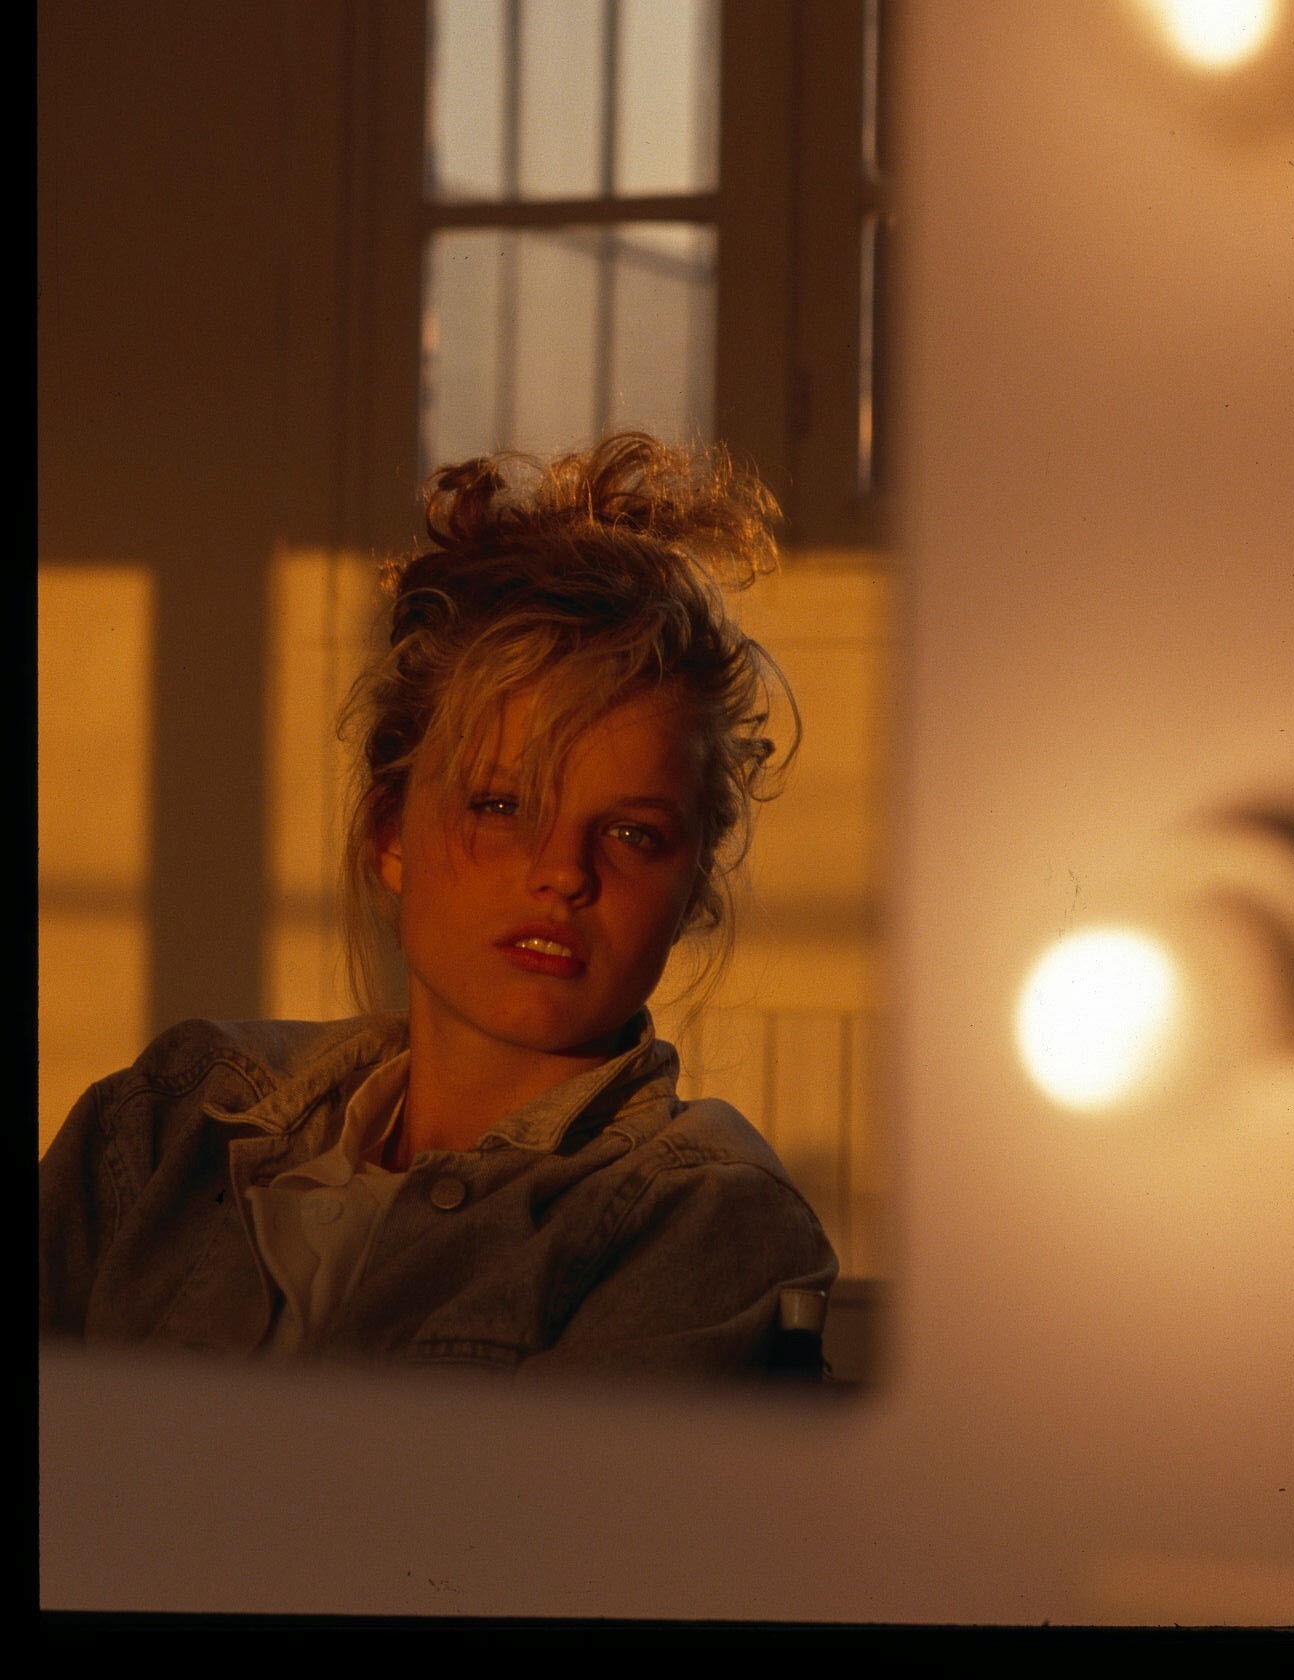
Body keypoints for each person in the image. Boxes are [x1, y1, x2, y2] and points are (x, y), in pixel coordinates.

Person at [40, 433, 838, 1376]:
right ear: (389, 836)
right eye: (501, 807)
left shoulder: (699, 1212)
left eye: (631, 833)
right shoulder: (174, 1119)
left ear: (692, 884)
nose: (562, 873)